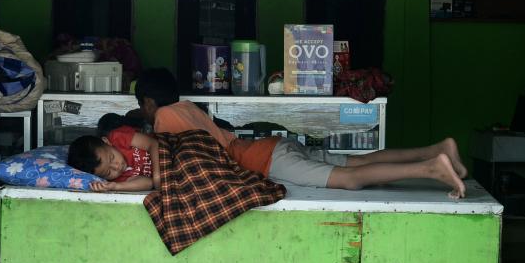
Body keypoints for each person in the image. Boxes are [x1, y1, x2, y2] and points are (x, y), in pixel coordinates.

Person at [134, 68, 469, 198]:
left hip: (267, 162)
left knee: (351, 179)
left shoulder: (164, 117)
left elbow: (187, 160)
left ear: (148, 102)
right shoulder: (188, 106)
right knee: (359, 162)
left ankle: (433, 168)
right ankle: (438, 148)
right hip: (272, 148)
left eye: (143, 107)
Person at [67, 124, 160, 192]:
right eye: (108, 172)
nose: (116, 167)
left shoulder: (118, 137)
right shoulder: (116, 180)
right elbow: (149, 183)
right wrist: (116, 186)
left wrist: (157, 176)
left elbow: (153, 144)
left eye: (111, 158)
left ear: (106, 142)